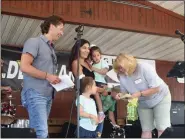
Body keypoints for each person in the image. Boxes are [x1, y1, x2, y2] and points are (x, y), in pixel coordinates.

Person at [20, 15, 64, 138]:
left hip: (48, 95)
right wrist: (47, 76)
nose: (62, 33)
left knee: (38, 132)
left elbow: (48, 75)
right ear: (51, 26)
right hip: (35, 93)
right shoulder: (34, 42)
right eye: (60, 28)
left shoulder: (52, 49)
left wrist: (57, 80)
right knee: (41, 132)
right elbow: (24, 66)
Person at [113, 53, 171, 138]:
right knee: (146, 129)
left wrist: (140, 94)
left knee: (161, 127)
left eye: (121, 67)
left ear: (129, 63)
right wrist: (121, 96)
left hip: (160, 97)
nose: (120, 70)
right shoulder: (122, 76)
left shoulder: (144, 67)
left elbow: (156, 88)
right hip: (143, 102)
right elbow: (125, 94)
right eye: (118, 68)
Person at [68, 39, 106, 123]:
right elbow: (83, 83)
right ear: (78, 49)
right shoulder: (76, 63)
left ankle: (100, 112)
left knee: (98, 129)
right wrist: (98, 89)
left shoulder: (88, 63)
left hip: (94, 98)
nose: (87, 50)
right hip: (85, 99)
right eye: (84, 48)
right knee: (88, 127)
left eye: (88, 48)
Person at [89, 46, 119, 136]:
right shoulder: (92, 64)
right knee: (96, 94)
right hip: (94, 83)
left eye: (98, 55)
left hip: (102, 83)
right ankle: (100, 111)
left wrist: (94, 69)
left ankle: (101, 112)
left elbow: (104, 72)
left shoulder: (103, 63)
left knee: (100, 94)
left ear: (100, 55)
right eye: (94, 56)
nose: (96, 57)